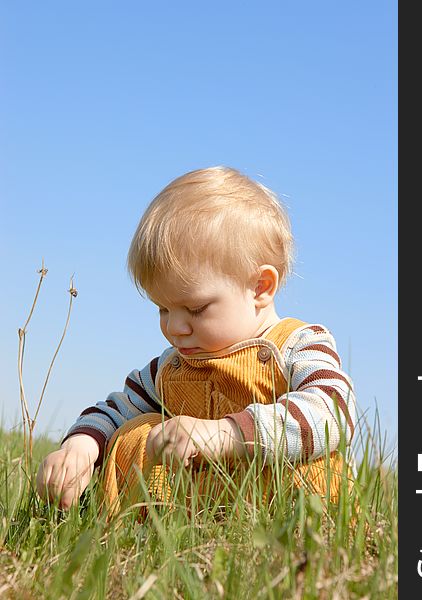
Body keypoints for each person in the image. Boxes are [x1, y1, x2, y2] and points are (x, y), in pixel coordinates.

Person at [36, 166, 356, 512]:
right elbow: (113, 411)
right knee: (135, 431)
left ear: (260, 287)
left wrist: (228, 434)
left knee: (315, 460)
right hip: (197, 514)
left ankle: (307, 539)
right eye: (162, 309)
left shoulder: (297, 345)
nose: (174, 328)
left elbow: (334, 413)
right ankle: (140, 526)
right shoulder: (171, 367)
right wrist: (81, 446)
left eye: (196, 308)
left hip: (281, 514)